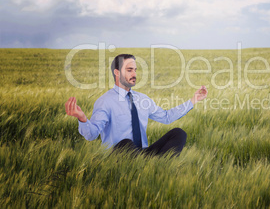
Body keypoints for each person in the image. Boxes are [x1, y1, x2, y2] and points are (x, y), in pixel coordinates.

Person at [65, 53, 207, 157]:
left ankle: (155, 166)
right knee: (126, 144)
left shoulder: (142, 99)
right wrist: (83, 119)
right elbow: (92, 134)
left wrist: (193, 100)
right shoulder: (105, 101)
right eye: (129, 70)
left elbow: (166, 117)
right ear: (116, 72)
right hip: (117, 156)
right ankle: (152, 166)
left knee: (178, 133)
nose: (134, 74)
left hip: (142, 153)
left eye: (135, 70)